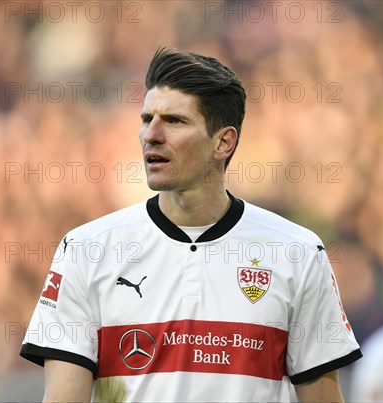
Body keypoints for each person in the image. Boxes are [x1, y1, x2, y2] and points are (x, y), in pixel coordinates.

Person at [20, 48, 362, 402]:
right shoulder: (86, 249)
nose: (151, 135)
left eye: (174, 121)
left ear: (223, 142)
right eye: (146, 118)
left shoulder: (296, 252)